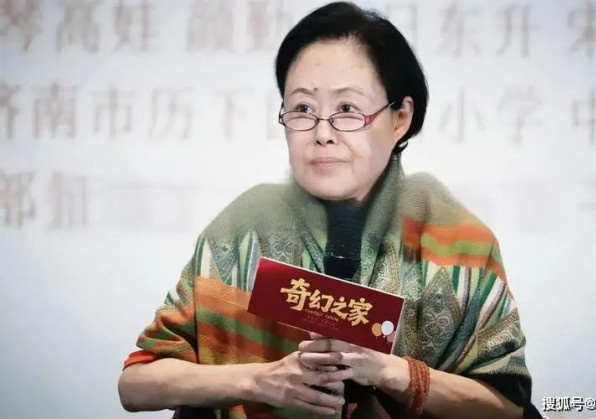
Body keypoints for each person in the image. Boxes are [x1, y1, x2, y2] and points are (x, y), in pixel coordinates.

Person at [118, 2, 537, 418]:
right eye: (303, 109)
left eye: (347, 110)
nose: (322, 133)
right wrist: (259, 381)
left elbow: (509, 408)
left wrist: (393, 373)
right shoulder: (243, 231)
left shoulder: (456, 241)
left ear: (400, 118)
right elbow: (136, 385)